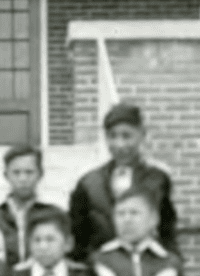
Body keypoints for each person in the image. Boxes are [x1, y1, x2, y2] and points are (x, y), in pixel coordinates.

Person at [68, 103, 178, 263]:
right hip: (102, 270)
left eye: (127, 136)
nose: (120, 145)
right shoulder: (89, 183)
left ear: (142, 135)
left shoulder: (158, 180)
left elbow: (167, 232)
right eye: (113, 136)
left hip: (147, 268)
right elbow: (78, 238)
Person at [0, 145, 59, 266]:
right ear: (6, 175)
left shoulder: (53, 216)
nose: (23, 179)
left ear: (40, 174)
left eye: (29, 172)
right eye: (16, 172)